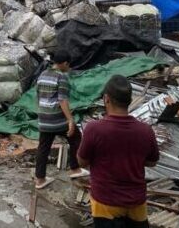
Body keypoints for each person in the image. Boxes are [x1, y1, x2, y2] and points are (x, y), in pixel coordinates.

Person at [78, 75, 159, 227]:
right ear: (129, 100)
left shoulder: (94, 129)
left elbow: (82, 161)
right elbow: (152, 161)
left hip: (105, 201)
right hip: (136, 201)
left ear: (106, 99)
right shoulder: (145, 130)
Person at [34, 50, 87, 189]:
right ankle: (75, 169)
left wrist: (42, 113)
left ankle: (40, 179)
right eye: (67, 64)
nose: (68, 67)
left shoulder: (42, 74)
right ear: (63, 63)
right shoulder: (61, 77)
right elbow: (62, 100)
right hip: (56, 118)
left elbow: (38, 96)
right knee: (75, 137)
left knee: (43, 148)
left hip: (44, 117)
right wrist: (70, 120)